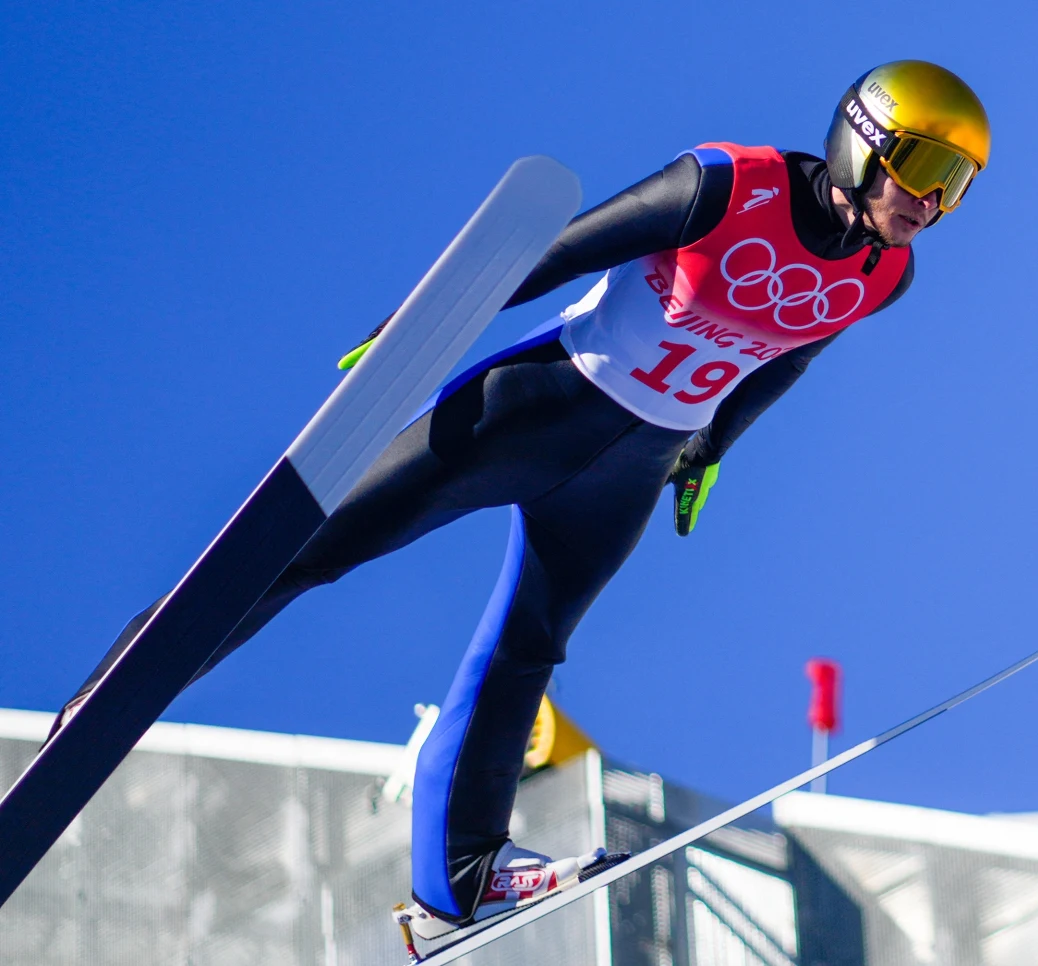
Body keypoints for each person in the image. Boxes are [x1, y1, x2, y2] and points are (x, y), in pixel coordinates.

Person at [55, 60, 990, 935]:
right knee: (313, 545)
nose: (935, 202)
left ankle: (458, 877)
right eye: (929, 168)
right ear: (865, 141)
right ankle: (109, 696)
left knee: (531, 644)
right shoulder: (726, 185)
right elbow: (551, 252)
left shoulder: (884, 277)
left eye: (959, 185)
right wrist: (417, 331)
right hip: (540, 404)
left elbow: (784, 360)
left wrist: (710, 449)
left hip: (633, 470)